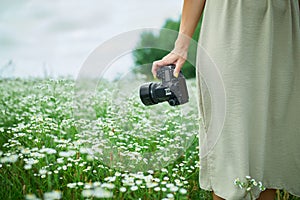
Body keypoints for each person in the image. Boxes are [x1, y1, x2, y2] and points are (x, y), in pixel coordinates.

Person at [152, 0, 300, 199]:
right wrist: (181, 44)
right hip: (230, 20)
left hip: (282, 22)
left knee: (269, 146)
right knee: (230, 147)